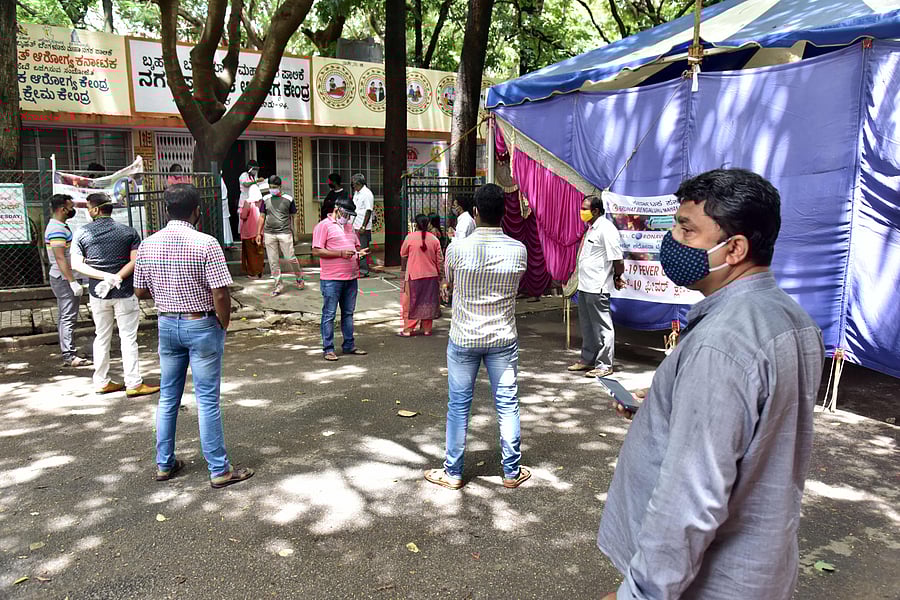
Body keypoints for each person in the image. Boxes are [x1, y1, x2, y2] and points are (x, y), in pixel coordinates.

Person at [597, 169, 825, 600]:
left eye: (687, 229)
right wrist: (670, 406)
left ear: (734, 249)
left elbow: (690, 495)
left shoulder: (722, 343)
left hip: (708, 582)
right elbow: (752, 433)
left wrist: (640, 594)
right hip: (759, 568)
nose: (673, 241)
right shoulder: (792, 322)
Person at [134, 184, 254, 489]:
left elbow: (138, 289)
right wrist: (223, 324)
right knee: (207, 400)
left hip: (166, 324)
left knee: (168, 397)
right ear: (197, 211)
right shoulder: (206, 243)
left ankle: (164, 464)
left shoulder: (148, 244)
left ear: (166, 210)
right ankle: (218, 470)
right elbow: (220, 292)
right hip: (200, 324)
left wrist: (165, 294)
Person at [424, 183, 529, 491]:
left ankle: (453, 472)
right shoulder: (518, 250)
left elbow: (450, 283)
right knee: (507, 403)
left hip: (464, 337)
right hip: (502, 337)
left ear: (476, 212)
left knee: (458, 405)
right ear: (504, 213)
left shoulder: (457, 248)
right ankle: (511, 471)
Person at [71, 193, 159, 397]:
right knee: (128, 338)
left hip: (98, 294)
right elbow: (135, 261)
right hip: (125, 292)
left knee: (101, 336)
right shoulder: (128, 232)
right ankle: (133, 383)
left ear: (94, 210)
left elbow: (76, 265)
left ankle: (101, 381)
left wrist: (104, 277)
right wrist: (116, 277)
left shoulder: (82, 233)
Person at [567, 195, 625, 378]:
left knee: (602, 327)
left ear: (596, 211)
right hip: (585, 286)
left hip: (598, 286)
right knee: (587, 326)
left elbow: (617, 258)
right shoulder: (592, 228)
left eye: (585, 209)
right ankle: (587, 360)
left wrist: (617, 276)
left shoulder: (606, 229)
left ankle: (604, 365)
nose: (581, 212)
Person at [312, 197, 368, 362]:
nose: (348, 218)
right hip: (332, 279)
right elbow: (316, 251)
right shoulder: (323, 226)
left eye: (350, 215)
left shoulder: (350, 227)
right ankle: (328, 348)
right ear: (337, 209)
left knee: (348, 313)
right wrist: (340, 254)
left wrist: (358, 253)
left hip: (351, 277)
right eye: (346, 214)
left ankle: (349, 345)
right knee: (329, 314)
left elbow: (355, 246)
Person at [44, 194, 91, 368]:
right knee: (68, 317)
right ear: (63, 209)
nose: (73, 210)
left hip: (63, 276)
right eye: (71, 207)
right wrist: (71, 281)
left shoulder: (59, 226)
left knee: (67, 316)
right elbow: (60, 258)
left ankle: (69, 352)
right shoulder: (56, 229)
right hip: (63, 278)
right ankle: (69, 355)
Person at [257, 175, 304, 296]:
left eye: (275, 187)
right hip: (269, 234)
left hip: (285, 233)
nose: (272, 189)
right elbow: (262, 216)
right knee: (273, 261)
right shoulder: (265, 198)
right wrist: (258, 233)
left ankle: (299, 277)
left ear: (280, 186)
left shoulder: (288, 199)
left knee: (290, 258)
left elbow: (295, 216)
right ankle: (278, 285)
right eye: (270, 187)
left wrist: (296, 233)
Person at [398, 214, 443, 337]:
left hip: (414, 275)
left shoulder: (410, 238)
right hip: (431, 275)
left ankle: (408, 329)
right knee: (428, 302)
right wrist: (440, 275)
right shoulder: (434, 239)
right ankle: (427, 329)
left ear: (416, 225)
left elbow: (403, 253)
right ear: (428, 224)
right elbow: (439, 260)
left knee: (410, 302)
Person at [239, 174, 265, 278]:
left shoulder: (248, 202)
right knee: (259, 252)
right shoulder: (261, 202)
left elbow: (243, 216)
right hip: (259, 231)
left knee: (250, 254)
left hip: (249, 233)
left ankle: (252, 273)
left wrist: (241, 212)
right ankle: (259, 271)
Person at [350, 173, 374, 277]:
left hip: (362, 226)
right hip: (355, 224)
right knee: (356, 248)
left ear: (359, 183)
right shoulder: (357, 192)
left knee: (363, 247)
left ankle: (364, 271)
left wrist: (363, 226)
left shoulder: (367, 193)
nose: (353, 186)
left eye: (354, 184)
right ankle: (357, 268)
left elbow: (369, 210)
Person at [220, 171, 233, 248]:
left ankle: (227, 241)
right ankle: (225, 241)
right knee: (224, 221)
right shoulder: (220, 180)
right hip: (222, 201)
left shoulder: (221, 180)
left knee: (225, 221)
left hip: (224, 201)